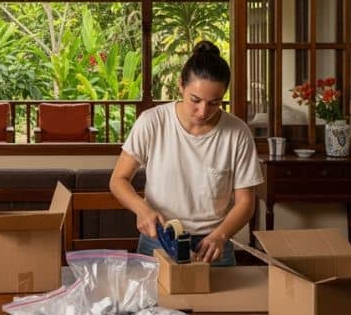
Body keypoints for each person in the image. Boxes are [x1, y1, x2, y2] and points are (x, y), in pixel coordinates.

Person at [110, 41, 263, 266]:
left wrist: (220, 236)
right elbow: (118, 180)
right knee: (153, 302)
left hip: (213, 245)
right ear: (181, 85)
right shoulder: (153, 122)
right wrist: (142, 210)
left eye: (214, 103)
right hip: (160, 239)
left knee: (225, 301)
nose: (203, 111)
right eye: (195, 100)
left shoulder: (238, 132)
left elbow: (245, 202)